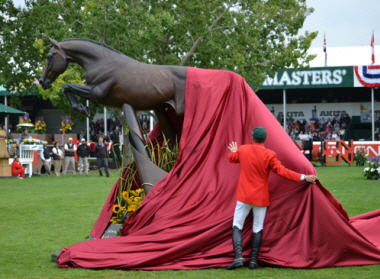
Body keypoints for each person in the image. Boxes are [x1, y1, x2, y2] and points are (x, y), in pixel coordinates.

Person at [226, 126, 318, 270]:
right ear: (265, 139)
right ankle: (253, 261)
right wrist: (304, 177)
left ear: (252, 137)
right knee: (258, 227)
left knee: (237, 225)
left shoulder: (243, 149)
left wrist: (233, 151)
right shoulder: (269, 154)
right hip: (261, 197)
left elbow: (232, 159)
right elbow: (283, 171)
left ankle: (238, 257)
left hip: (244, 195)